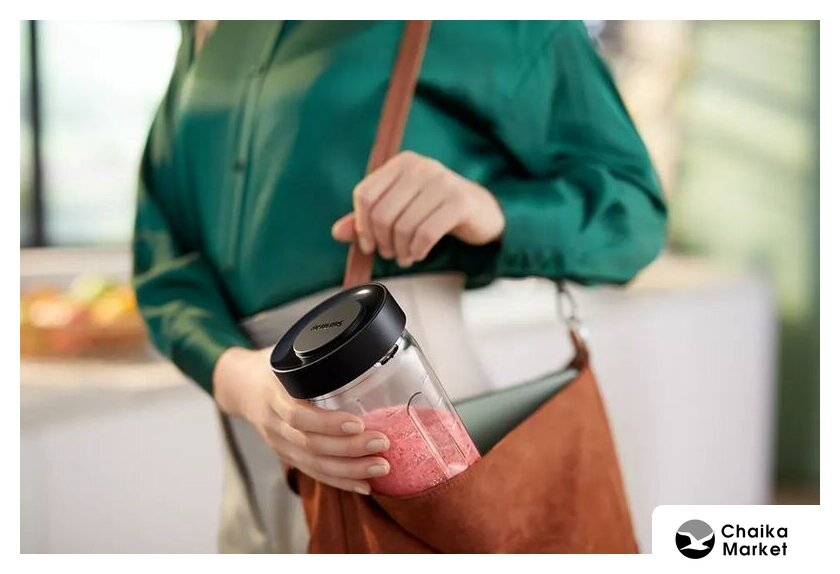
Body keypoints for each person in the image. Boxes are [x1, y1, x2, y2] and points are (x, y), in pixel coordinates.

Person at [132, 20, 667, 552]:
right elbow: (165, 262)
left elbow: (634, 216)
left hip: (414, 430)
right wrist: (239, 378)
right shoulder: (206, 26)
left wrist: (491, 209)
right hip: (254, 450)